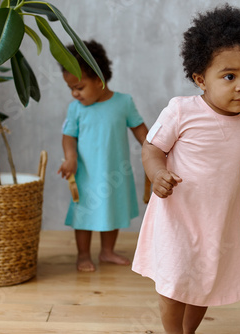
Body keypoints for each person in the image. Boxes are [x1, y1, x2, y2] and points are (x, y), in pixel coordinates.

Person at [132, 4, 240, 333]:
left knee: (206, 283)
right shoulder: (182, 111)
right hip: (178, 215)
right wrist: (157, 173)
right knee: (174, 284)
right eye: (230, 76)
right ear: (200, 78)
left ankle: (189, 331)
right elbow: (152, 147)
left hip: (218, 220)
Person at [58, 40, 148, 272]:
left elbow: (139, 129)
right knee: (84, 216)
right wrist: (70, 158)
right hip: (86, 174)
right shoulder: (76, 109)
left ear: (99, 80)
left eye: (79, 87)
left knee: (113, 210)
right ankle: (83, 254)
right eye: (71, 88)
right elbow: (68, 136)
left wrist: (152, 149)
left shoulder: (123, 102)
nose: (74, 94)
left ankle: (107, 251)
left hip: (115, 172)